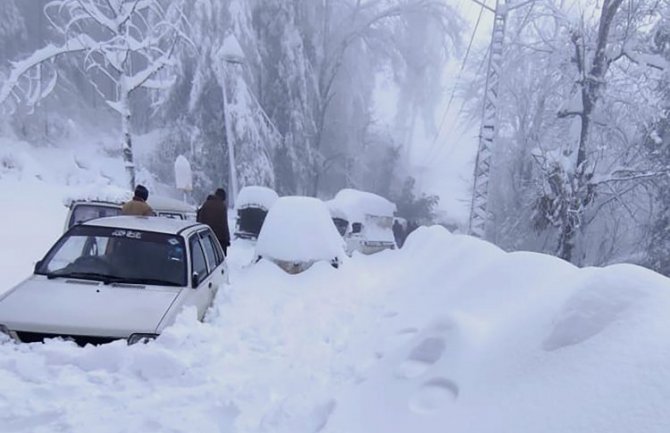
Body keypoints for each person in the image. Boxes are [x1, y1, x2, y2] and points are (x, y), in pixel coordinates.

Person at [197, 188, 231, 255]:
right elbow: (224, 224)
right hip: (219, 238)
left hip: (205, 236)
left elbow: (199, 218)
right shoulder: (222, 206)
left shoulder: (206, 204)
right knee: (219, 257)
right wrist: (227, 239)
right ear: (223, 197)